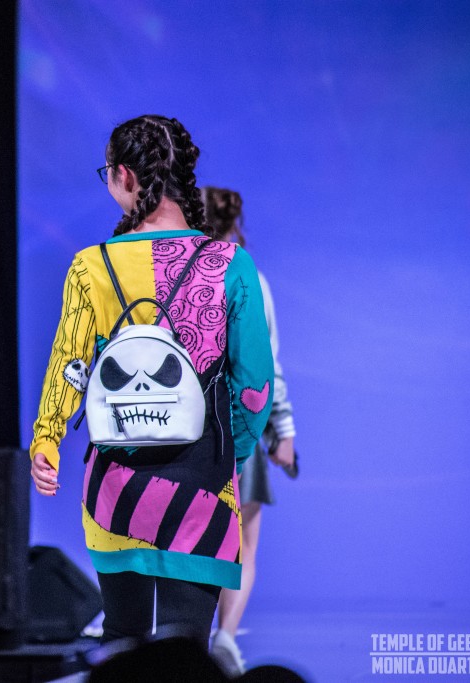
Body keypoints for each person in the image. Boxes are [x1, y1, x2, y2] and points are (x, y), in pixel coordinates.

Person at [29, 115, 274, 650]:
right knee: (187, 650)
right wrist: (228, 451)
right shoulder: (230, 264)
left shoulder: (91, 266)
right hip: (203, 484)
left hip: (116, 485)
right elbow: (255, 388)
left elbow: (69, 365)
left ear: (124, 175)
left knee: (122, 640)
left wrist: (46, 438)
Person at [203, 186, 297, 676]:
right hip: (239, 428)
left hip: (190, 432)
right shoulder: (248, 277)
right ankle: (225, 639)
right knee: (242, 546)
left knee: (191, 543)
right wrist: (283, 430)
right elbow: (266, 365)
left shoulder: (178, 274)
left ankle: (192, 643)